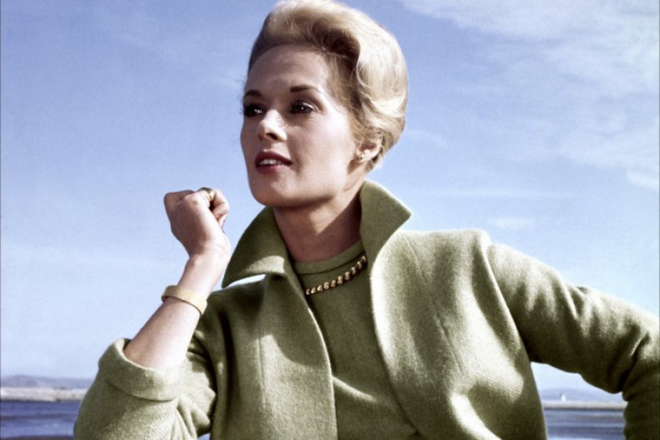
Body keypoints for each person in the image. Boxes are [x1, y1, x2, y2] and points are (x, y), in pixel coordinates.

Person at [74, 0, 659, 439]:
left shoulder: (468, 268)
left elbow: (647, 355)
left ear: (367, 142)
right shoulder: (224, 326)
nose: (265, 126)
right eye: (253, 108)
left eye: (300, 106)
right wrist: (202, 265)